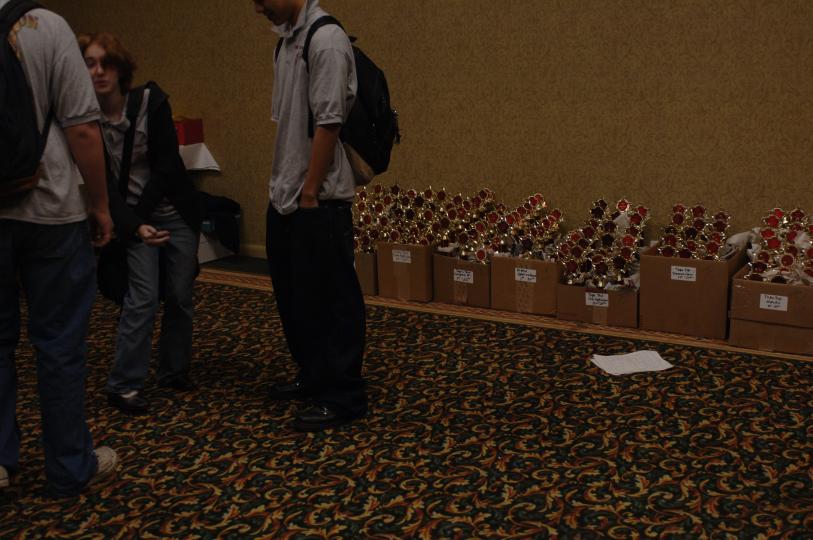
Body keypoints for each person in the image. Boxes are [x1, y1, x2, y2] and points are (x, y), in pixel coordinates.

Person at [0, 0, 117, 496]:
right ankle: (69, 465)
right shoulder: (47, 25)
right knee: (59, 343)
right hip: (51, 211)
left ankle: (0, 462)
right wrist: (101, 205)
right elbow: (83, 128)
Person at [253, 0, 367, 432]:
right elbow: (287, 124)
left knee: (334, 299)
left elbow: (329, 123)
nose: (258, 8)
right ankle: (315, 375)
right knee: (296, 296)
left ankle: (344, 396)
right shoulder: (285, 44)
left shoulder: (327, 40)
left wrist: (310, 193)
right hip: (285, 193)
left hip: (318, 198)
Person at [79, 33, 202, 415]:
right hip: (132, 220)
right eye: (89, 64)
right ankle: (123, 385)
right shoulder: (84, 120)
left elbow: (167, 168)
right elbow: (103, 187)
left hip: (174, 212)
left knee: (179, 294)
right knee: (143, 298)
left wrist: (142, 218)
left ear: (121, 70)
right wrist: (135, 226)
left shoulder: (151, 102)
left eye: (106, 63)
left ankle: (173, 370)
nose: (98, 72)